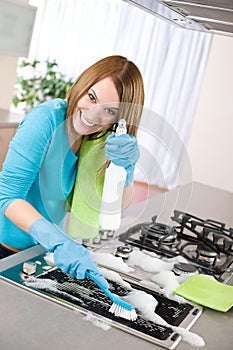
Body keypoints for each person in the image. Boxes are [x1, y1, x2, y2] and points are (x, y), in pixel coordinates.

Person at [0, 55, 144, 287]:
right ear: (82, 85)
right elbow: (7, 196)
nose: (92, 115)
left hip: (39, 254)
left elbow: (113, 205)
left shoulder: (100, 141)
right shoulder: (46, 119)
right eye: (91, 97)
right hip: (6, 251)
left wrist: (126, 170)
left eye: (109, 111)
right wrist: (59, 242)